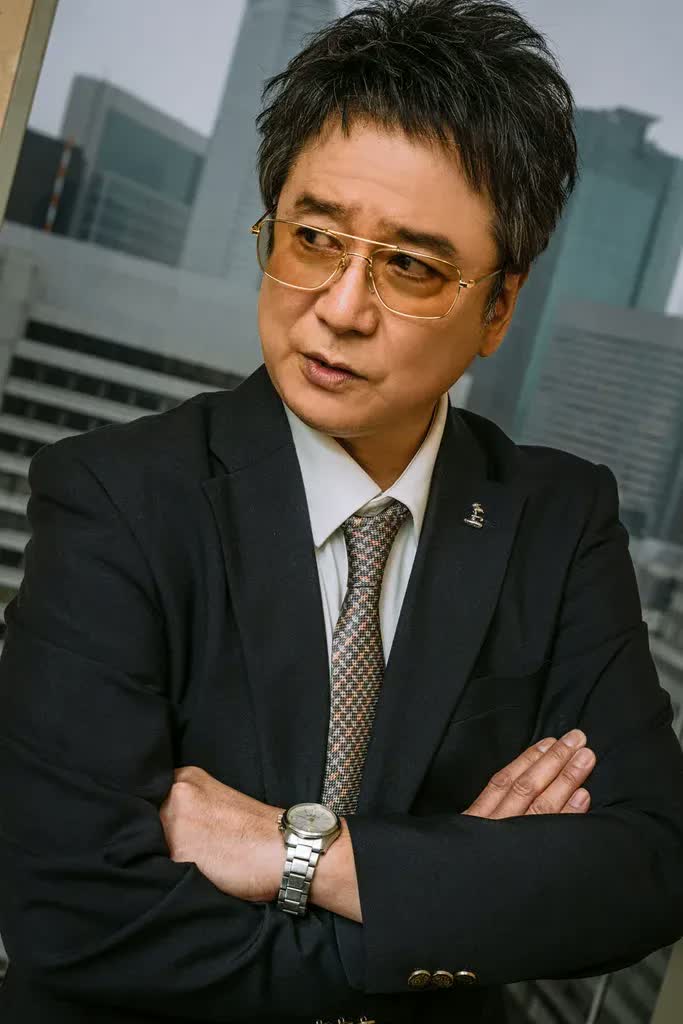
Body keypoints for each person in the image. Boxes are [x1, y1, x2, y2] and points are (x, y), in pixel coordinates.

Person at [0, 0, 682, 1021]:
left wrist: (297, 852)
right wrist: (452, 890)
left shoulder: (556, 520)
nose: (340, 306)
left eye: (409, 266)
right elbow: (74, 914)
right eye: (313, 239)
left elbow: (648, 865)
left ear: (498, 306)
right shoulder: (114, 497)